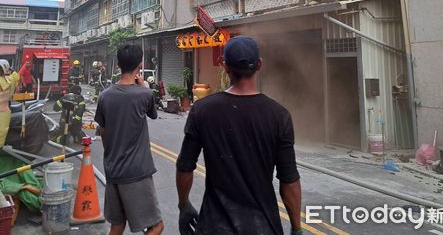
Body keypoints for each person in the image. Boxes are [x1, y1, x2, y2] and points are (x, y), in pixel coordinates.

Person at [176, 36, 302, 235]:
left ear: (225, 66)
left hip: (213, 227)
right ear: (259, 65)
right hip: (264, 227)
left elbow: (185, 166)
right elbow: (289, 179)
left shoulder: (202, 110)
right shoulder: (279, 115)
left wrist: (184, 205)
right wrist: (297, 228)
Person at [94, 45, 163, 235]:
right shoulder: (145, 94)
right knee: (156, 226)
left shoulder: (104, 96)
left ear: (117, 65)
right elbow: (153, 114)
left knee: (117, 225)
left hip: (112, 169)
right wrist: (145, 87)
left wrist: (111, 158)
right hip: (136, 172)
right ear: (140, 65)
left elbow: (103, 132)